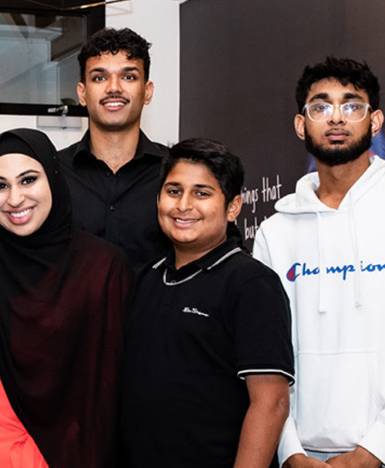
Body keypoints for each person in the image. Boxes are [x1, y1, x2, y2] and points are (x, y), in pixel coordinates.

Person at [0, 128, 131, 468]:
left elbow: (113, 383)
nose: (14, 198)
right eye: (0, 185)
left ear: (54, 179)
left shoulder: (101, 267)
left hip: (69, 454)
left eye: (28, 180)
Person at [121, 138, 294, 467]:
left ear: (232, 207)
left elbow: (271, 403)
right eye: (173, 191)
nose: (184, 205)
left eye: (202, 193)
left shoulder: (252, 284)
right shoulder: (144, 280)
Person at [253, 57, 385, 468]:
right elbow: (267, 357)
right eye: (321, 106)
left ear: (375, 120)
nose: (336, 118)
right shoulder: (274, 233)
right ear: (301, 124)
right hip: (301, 456)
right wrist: (289, 449)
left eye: (352, 105)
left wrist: (374, 451)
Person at [56, 27, 170, 273]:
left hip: (157, 312)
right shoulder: (53, 173)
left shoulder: (176, 173)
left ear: (147, 91)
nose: (114, 88)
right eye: (99, 77)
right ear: (82, 93)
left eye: (128, 77)